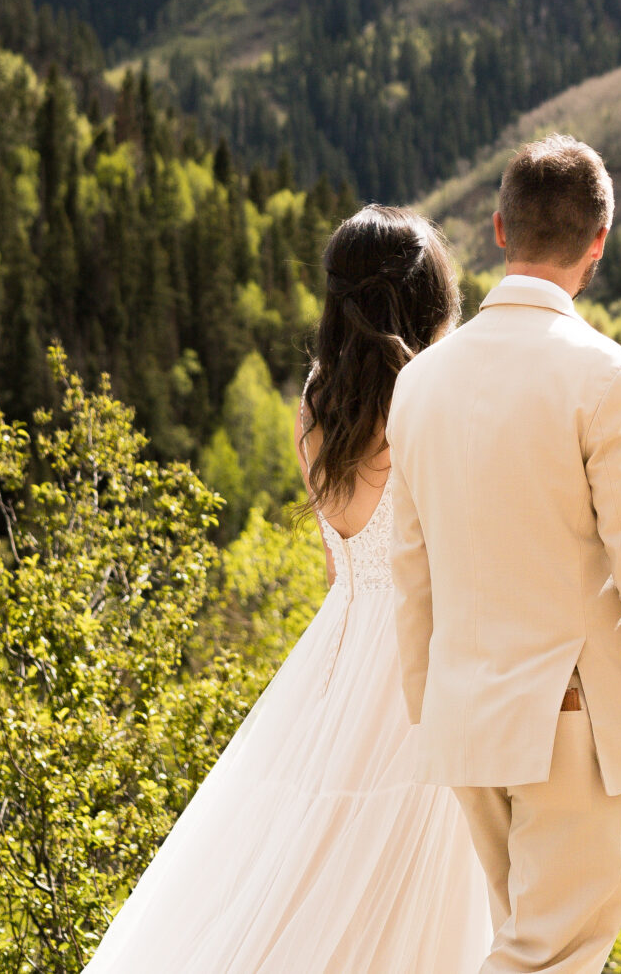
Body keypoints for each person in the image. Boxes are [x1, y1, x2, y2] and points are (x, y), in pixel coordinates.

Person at [82, 204, 492, 974]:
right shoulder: (437, 404)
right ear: (428, 301)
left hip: (337, 661)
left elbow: (341, 563)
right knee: (413, 882)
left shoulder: (315, 405)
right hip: (420, 662)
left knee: (308, 861)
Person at [389, 134, 621, 974]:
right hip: (570, 720)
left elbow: (412, 574)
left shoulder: (421, 382)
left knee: (526, 944)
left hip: (468, 715)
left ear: (502, 228)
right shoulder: (610, 381)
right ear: (600, 241)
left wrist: (426, 706)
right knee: (547, 958)